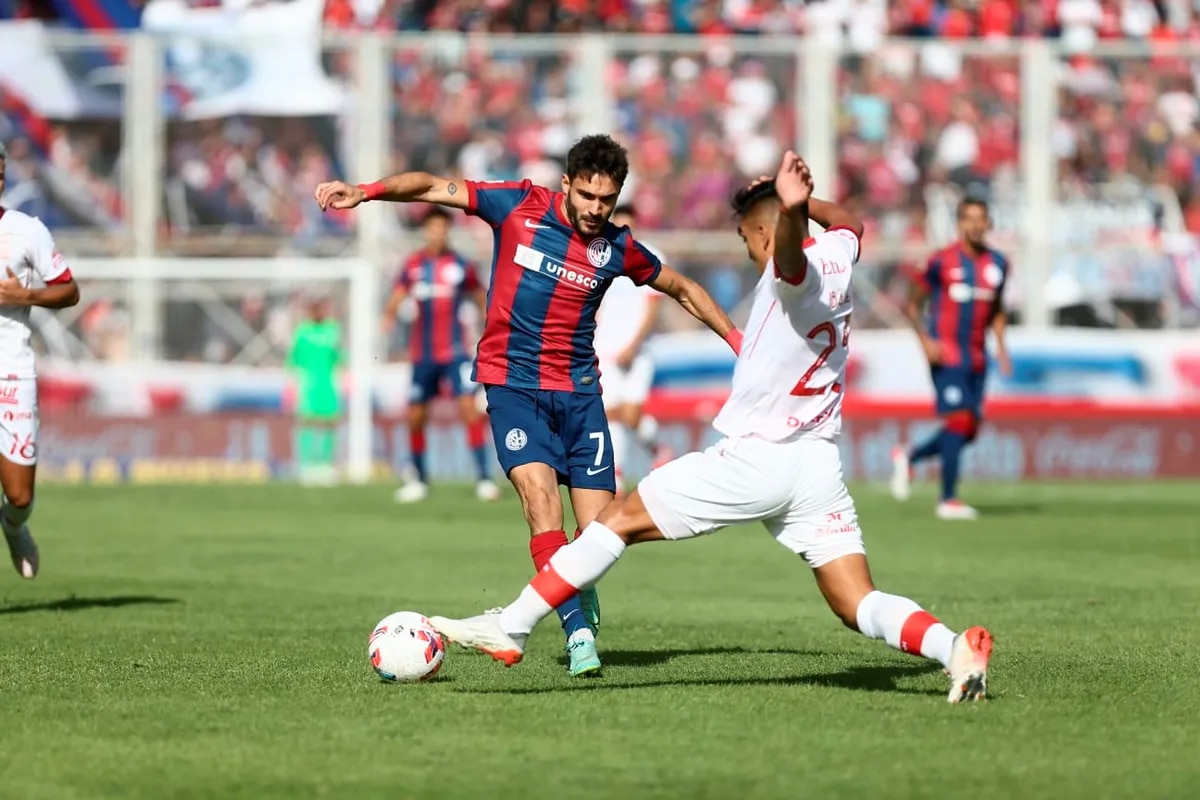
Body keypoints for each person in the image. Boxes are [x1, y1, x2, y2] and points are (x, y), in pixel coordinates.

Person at [427, 152, 995, 703]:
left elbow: (789, 256)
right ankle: (953, 649)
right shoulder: (839, 256)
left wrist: (792, 209)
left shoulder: (790, 275)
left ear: (767, 234)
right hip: (818, 466)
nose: (748, 252)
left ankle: (516, 625)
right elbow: (852, 221)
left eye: (749, 238)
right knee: (856, 602)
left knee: (617, 519)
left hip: (759, 458)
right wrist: (797, 202)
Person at [315, 134, 740, 678]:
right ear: (566, 183)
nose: (595, 209)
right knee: (540, 502)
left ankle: (576, 592)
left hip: (581, 396)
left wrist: (736, 341)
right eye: (587, 195)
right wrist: (366, 191)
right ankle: (577, 632)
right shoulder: (517, 204)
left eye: (606, 200)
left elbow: (680, 287)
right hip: (512, 387)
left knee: (601, 534)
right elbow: (430, 185)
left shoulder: (617, 247)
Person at [891, 199, 1012, 520]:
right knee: (959, 422)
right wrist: (924, 341)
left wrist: (1001, 346)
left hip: (977, 355)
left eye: (980, 219)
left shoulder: (998, 263)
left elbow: (997, 308)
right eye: (968, 219)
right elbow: (913, 304)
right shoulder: (941, 262)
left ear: (989, 224)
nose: (974, 225)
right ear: (959, 224)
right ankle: (948, 499)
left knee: (969, 430)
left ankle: (910, 455)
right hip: (946, 353)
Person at [0, 141, 82, 579]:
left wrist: (26, 295)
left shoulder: (26, 231)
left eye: (0, 171)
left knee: (19, 497)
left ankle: (13, 529)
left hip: (11, 373)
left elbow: (69, 291)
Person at [382, 206, 500, 504]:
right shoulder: (413, 265)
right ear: (425, 230)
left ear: (448, 230)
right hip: (423, 354)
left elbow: (480, 295)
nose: (438, 232)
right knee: (416, 415)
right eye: (432, 227)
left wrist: (493, 326)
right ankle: (419, 479)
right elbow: (396, 297)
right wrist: (388, 319)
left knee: (468, 410)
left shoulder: (460, 265)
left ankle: (484, 479)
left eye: (442, 227)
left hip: (456, 352)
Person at [593, 205, 670, 491]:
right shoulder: (600, 257)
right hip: (605, 347)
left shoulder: (651, 257)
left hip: (638, 352)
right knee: (611, 412)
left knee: (631, 415)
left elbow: (652, 308)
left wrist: (633, 345)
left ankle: (658, 449)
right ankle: (616, 475)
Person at [288, 295, 343, 486]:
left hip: (328, 383)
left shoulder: (333, 329)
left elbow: (339, 357)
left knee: (330, 423)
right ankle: (306, 466)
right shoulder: (302, 331)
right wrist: (291, 385)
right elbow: (293, 360)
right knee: (306, 423)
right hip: (308, 384)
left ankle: (326, 465)